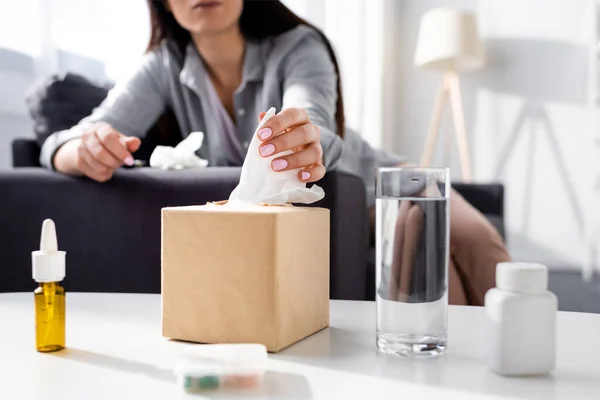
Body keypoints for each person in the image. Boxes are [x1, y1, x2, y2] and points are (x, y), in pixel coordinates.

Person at [39, 0, 509, 305]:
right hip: (333, 211)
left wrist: (302, 136)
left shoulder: (298, 46)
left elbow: (316, 120)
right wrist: (83, 151)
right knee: (431, 264)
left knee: (471, 240)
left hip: (385, 179)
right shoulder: (161, 68)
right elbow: (68, 141)